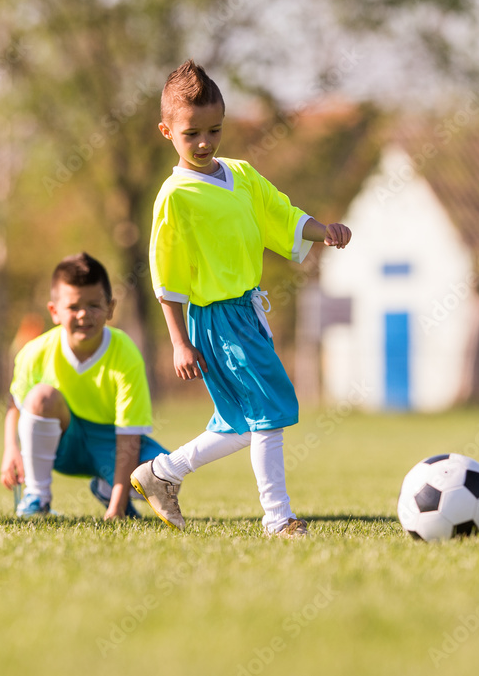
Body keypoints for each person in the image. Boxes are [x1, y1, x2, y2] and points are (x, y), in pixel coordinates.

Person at [130, 60, 352, 537]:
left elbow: (280, 215)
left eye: (214, 130)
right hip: (215, 321)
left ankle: (161, 473)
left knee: (242, 424)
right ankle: (278, 518)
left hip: (248, 314)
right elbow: (166, 276)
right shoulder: (175, 196)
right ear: (167, 132)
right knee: (268, 410)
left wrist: (324, 231)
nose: (204, 142)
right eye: (192, 134)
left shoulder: (241, 174)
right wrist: (179, 343)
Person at [0, 252, 169, 519]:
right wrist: (11, 448)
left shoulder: (126, 353)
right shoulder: (35, 352)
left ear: (110, 308)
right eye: (73, 307)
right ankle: (37, 497)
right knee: (41, 396)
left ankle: (108, 489)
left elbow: (129, 438)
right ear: (54, 312)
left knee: (165, 476)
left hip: (111, 443)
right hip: (63, 445)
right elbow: (16, 404)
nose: (83, 315)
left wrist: (117, 508)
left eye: (94, 305)